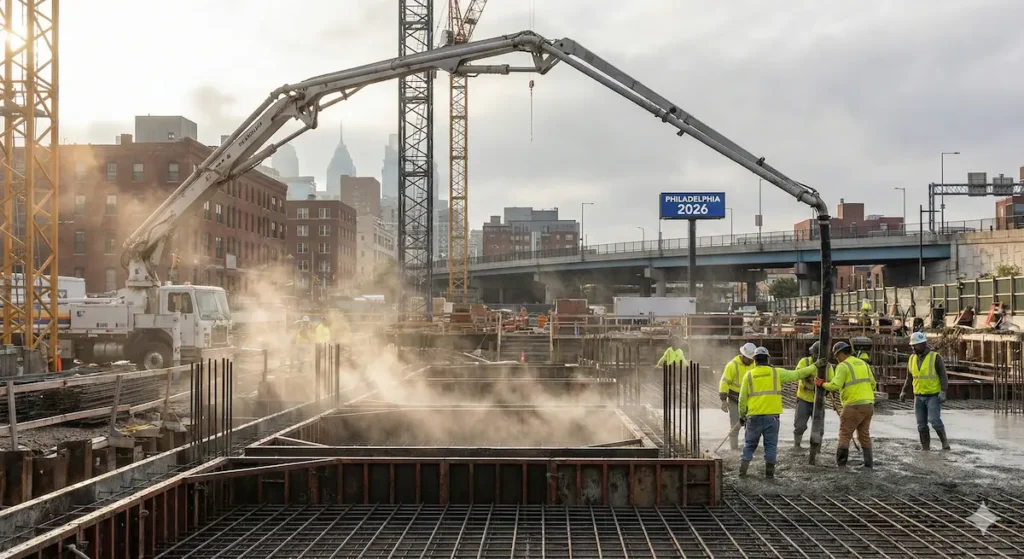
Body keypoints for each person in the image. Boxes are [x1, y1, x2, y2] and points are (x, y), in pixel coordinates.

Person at [738, 347, 820, 478]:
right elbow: (797, 374)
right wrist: (815, 366)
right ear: (768, 358)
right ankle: (769, 475)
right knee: (770, 446)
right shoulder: (776, 373)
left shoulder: (748, 376)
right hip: (772, 418)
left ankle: (742, 472)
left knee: (749, 445)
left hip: (753, 417)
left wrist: (742, 416)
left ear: (754, 360)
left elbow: (742, 400)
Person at [815, 341, 877, 468]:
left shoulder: (843, 366)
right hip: (869, 405)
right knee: (864, 435)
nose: (836, 359)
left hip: (853, 406)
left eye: (836, 356)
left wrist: (822, 384)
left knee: (844, 434)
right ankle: (868, 463)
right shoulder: (863, 364)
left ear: (841, 353)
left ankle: (841, 465)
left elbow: (835, 385)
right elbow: (873, 384)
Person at [900, 331, 951, 450]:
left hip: (933, 395)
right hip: (918, 396)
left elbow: (943, 376)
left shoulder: (935, 357)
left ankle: (944, 442)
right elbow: (909, 377)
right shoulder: (912, 358)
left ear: (923, 344)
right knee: (921, 425)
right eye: (912, 345)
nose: (913, 347)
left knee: (934, 421)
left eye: (915, 345)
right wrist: (904, 391)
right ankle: (925, 448)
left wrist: (943, 391)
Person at [793, 341, 834, 449]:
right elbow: (798, 374)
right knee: (800, 425)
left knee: (819, 428)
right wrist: (810, 378)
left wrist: (825, 387)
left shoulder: (828, 366)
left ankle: (817, 448)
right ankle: (797, 445)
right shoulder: (805, 362)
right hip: (804, 398)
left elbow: (831, 382)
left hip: (819, 400)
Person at [718, 342, 757, 450]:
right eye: (749, 359)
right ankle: (734, 449)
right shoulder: (733, 365)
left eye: (752, 359)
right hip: (734, 399)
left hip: (749, 400)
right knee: (735, 426)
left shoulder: (754, 364)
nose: (751, 361)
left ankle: (748, 449)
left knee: (750, 426)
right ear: (744, 356)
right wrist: (723, 400)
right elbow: (724, 382)